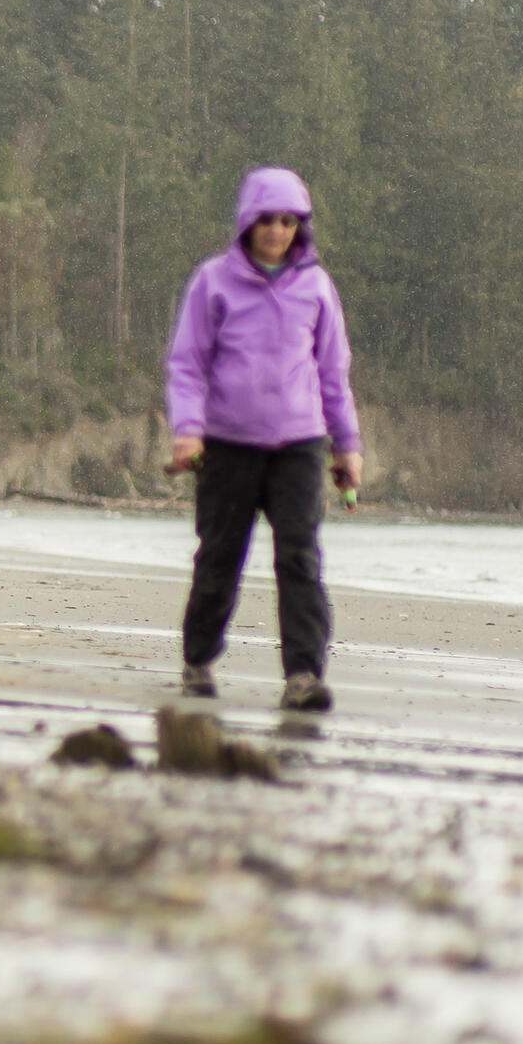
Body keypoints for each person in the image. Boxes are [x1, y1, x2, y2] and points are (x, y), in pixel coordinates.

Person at [163, 167, 363, 712]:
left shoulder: (317, 287)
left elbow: (332, 375)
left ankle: (304, 675)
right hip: (226, 446)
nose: (277, 230)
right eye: (267, 220)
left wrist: (347, 447)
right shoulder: (213, 282)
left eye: (288, 221)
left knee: (299, 558)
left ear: (300, 226)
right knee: (220, 557)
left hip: (299, 446)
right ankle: (198, 662)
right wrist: (188, 431)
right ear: (247, 223)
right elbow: (187, 366)